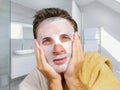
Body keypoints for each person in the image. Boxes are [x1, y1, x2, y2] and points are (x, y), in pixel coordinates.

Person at [19, 8, 120, 90]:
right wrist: (54, 81)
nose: (58, 50)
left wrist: (72, 79)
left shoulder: (95, 64)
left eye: (65, 38)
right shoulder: (30, 84)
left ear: (77, 41)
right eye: (47, 41)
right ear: (37, 47)